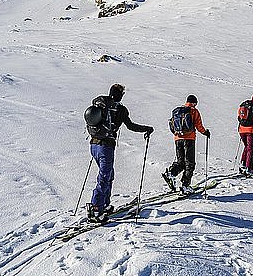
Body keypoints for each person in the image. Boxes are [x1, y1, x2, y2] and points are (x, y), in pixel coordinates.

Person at [85, 84, 154, 223]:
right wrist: (147, 129)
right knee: (105, 176)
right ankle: (97, 208)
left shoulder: (100, 105)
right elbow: (131, 126)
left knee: (108, 174)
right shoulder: (120, 110)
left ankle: (104, 204)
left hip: (93, 144)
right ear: (120, 95)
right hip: (106, 147)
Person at [162, 95, 210, 195]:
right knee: (190, 163)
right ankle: (185, 186)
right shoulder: (193, 111)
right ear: (193, 103)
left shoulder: (177, 111)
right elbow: (198, 125)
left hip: (177, 139)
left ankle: (171, 173)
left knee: (181, 162)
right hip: (189, 139)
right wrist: (205, 132)